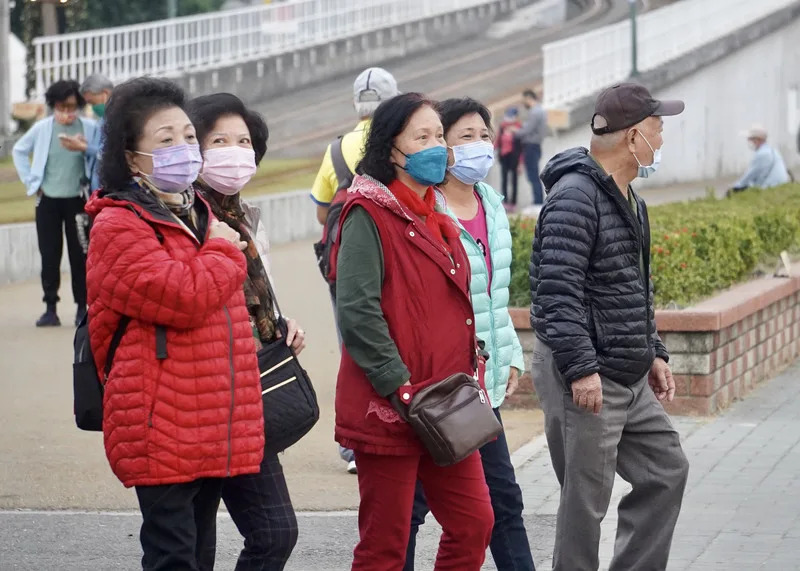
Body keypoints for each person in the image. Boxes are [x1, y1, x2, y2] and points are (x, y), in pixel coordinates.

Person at [84, 77, 265, 571]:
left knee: (198, 552)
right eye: (166, 140)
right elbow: (181, 297)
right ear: (131, 154)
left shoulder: (197, 210)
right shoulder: (117, 222)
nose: (185, 148)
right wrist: (224, 250)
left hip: (207, 416)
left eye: (189, 136)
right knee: (174, 556)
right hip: (160, 418)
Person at [529, 82, 690, 570]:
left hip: (628, 371)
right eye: (659, 128)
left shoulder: (627, 196)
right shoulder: (576, 197)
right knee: (585, 502)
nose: (662, 139)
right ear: (634, 135)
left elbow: (631, 287)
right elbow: (556, 291)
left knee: (666, 469)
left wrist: (655, 351)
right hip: (587, 373)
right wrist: (580, 369)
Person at [333, 92, 494, 570]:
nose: (436, 146)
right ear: (392, 149)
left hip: (447, 403)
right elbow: (358, 312)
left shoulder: (436, 214)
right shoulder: (367, 212)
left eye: (439, 136)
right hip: (392, 406)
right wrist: (397, 386)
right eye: (421, 137)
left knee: (474, 524)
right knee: (385, 544)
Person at [404, 97, 533, 571]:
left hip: (482, 385)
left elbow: (495, 293)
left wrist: (510, 351)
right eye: (464, 137)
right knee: (412, 509)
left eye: (484, 135)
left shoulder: (492, 204)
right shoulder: (423, 211)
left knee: (503, 500)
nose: (479, 145)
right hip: (439, 385)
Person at [188, 92, 306, 571]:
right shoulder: (183, 219)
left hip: (249, 399)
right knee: (195, 547)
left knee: (276, 532)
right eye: (219, 140)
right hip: (198, 400)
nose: (235, 152)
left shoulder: (247, 219)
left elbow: (259, 296)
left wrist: (282, 324)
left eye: (243, 142)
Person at [310, 66, 399, 475]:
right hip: (397, 259)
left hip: (343, 261)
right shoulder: (401, 141)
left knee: (352, 343)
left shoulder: (335, 150)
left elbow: (320, 210)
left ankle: (352, 447)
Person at [12, 79, 97, 327]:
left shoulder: (89, 127)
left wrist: (84, 148)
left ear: (79, 105)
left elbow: (100, 152)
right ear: (53, 106)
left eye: (72, 107)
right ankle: (50, 308)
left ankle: (82, 308)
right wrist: (32, 182)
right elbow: (19, 150)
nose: (67, 112)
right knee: (49, 254)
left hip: (78, 200)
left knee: (80, 256)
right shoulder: (42, 128)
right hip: (47, 200)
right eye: (61, 107)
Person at [57, 73, 114, 193]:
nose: (92, 107)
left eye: (92, 103)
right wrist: (83, 144)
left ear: (105, 93)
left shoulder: (118, 119)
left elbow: (110, 155)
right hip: (97, 190)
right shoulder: (103, 119)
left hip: (110, 190)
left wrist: (83, 147)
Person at [729, 125, 790, 193]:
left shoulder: (762, 154)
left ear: (758, 140)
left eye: (750, 139)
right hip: (779, 187)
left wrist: (735, 187)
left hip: (770, 189)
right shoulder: (772, 151)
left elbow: (750, 175)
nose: (749, 141)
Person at [515, 89, 547, 205]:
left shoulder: (535, 112)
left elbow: (528, 130)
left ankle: (538, 202)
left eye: (524, 100)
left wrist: (515, 132)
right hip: (535, 146)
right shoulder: (540, 110)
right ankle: (537, 201)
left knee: (533, 175)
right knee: (533, 175)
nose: (524, 103)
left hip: (531, 146)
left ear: (529, 98)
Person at [495, 106, 523, 210]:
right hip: (504, 157)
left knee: (514, 180)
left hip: (514, 157)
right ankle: (505, 201)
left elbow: (521, 146)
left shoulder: (519, 128)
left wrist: (521, 162)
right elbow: (498, 142)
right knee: (504, 179)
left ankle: (513, 203)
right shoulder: (502, 127)